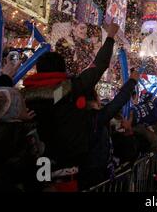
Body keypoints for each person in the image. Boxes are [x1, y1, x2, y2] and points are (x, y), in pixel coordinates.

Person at [22, 22, 119, 191]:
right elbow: (99, 65)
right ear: (62, 69)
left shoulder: (23, 97)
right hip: (66, 167)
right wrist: (110, 37)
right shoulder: (65, 90)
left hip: (34, 165)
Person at [78, 69, 139, 190]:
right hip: (95, 176)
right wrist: (132, 81)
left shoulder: (76, 117)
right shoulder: (94, 118)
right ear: (95, 100)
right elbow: (116, 104)